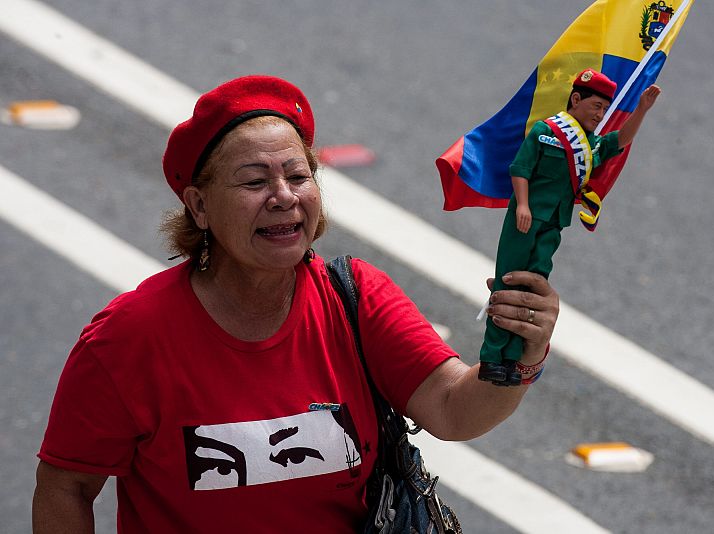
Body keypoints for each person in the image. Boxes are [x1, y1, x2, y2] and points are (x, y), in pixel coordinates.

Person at [32, 75, 559, 532]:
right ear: (199, 206)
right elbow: (66, 486)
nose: (284, 196)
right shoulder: (128, 337)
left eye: (299, 175)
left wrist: (518, 351)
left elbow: (453, 410)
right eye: (254, 181)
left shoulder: (357, 297)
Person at [479, 68, 661, 386]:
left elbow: (620, 140)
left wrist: (642, 109)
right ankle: (492, 356)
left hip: (554, 222)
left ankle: (512, 358)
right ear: (576, 99)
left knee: (532, 288)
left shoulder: (589, 146)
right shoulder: (545, 132)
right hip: (526, 219)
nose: (600, 114)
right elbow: (520, 169)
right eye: (596, 106)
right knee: (507, 282)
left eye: (605, 109)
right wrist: (522, 205)